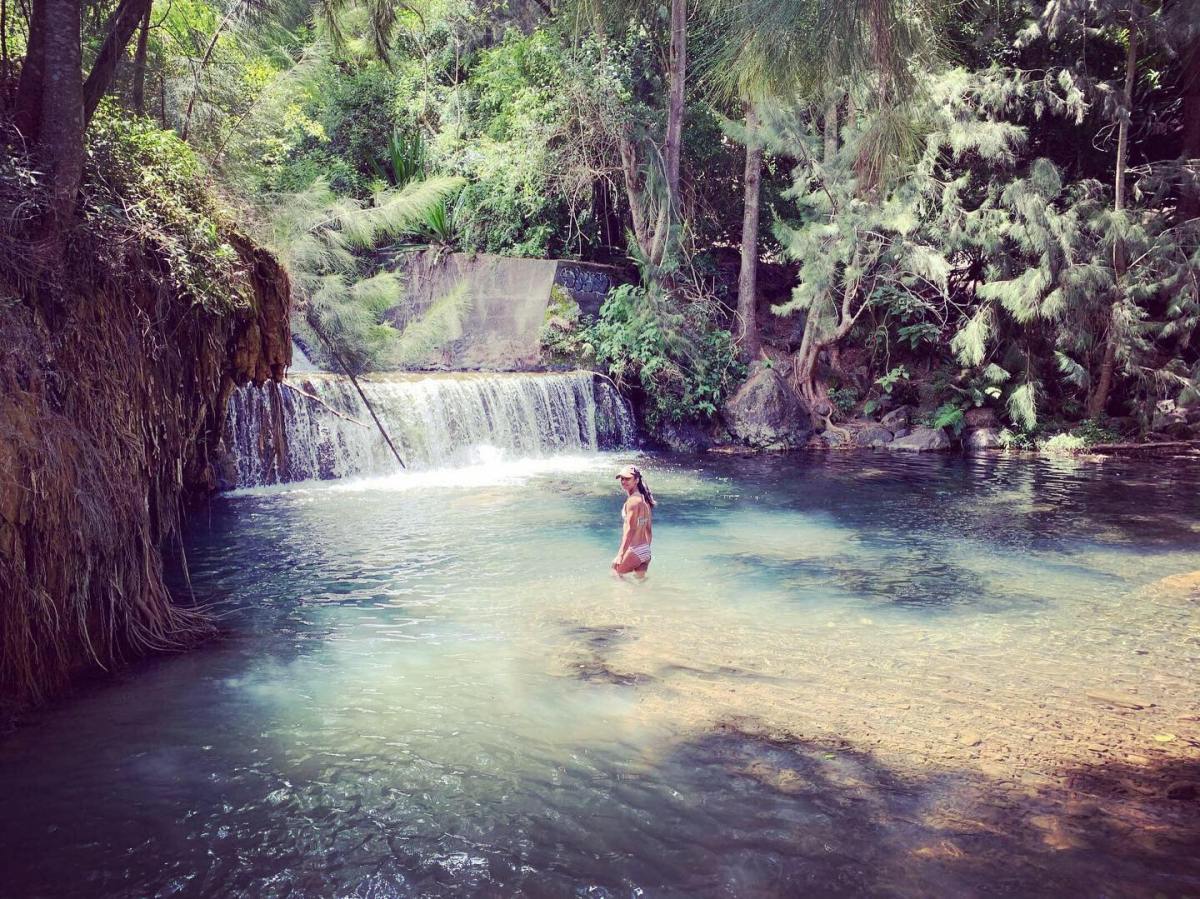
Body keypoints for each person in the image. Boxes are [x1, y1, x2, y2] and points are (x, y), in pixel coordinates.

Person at [612, 464, 655, 578]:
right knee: (640, 586)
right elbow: (648, 529)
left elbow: (631, 529)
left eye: (627, 479)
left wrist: (620, 555)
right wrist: (645, 551)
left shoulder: (632, 501)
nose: (624, 481)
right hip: (645, 550)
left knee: (615, 575)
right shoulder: (644, 499)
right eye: (622, 478)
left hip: (634, 550)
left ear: (636, 480)